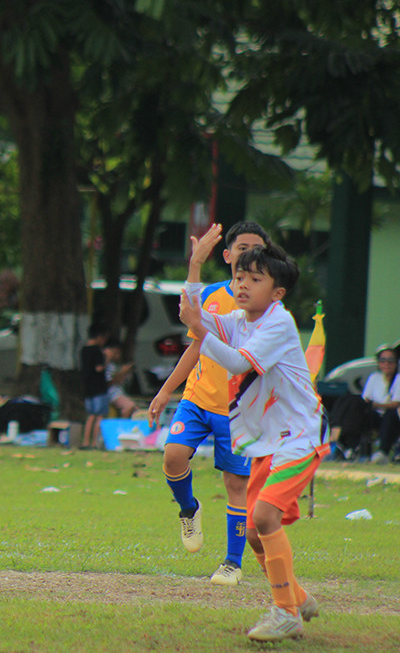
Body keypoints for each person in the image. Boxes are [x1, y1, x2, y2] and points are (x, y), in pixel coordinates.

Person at [180, 225, 323, 642]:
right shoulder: (240, 319)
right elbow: (194, 317)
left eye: (255, 278)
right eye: (240, 276)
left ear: (277, 292)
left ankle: (286, 613)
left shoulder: (277, 324)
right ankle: (295, 596)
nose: (242, 284)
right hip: (268, 443)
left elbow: (239, 364)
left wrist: (202, 330)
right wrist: (193, 266)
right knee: (256, 530)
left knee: (261, 517)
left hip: (299, 437)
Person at [147, 221, 270, 587]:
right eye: (242, 247)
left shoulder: (266, 305)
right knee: (172, 456)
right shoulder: (214, 295)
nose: (248, 254)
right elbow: (196, 343)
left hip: (238, 410)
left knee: (236, 484)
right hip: (198, 400)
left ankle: (232, 563)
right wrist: (166, 390)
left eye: (256, 248)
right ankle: (189, 509)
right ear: (228, 254)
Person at [364, 346, 400, 463]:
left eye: (390, 361)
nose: (386, 364)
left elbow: (396, 403)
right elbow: (366, 399)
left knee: (390, 414)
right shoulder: (374, 378)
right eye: (383, 360)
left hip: (392, 418)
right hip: (375, 416)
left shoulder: (398, 379)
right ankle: (350, 447)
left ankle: (383, 451)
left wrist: (377, 405)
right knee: (354, 404)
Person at [80, 322, 111, 449]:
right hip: (99, 387)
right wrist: (107, 358)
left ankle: (85, 441)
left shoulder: (84, 350)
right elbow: (99, 368)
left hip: (88, 386)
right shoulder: (97, 351)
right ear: (99, 337)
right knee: (99, 416)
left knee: (90, 416)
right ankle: (94, 442)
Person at [103, 338, 138, 418]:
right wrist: (122, 372)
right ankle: (122, 426)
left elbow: (118, 381)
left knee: (137, 410)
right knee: (129, 406)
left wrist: (124, 374)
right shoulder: (105, 365)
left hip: (118, 392)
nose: (118, 356)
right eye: (116, 353)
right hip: (112, 393)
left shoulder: (112, 365)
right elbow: (109, 383)